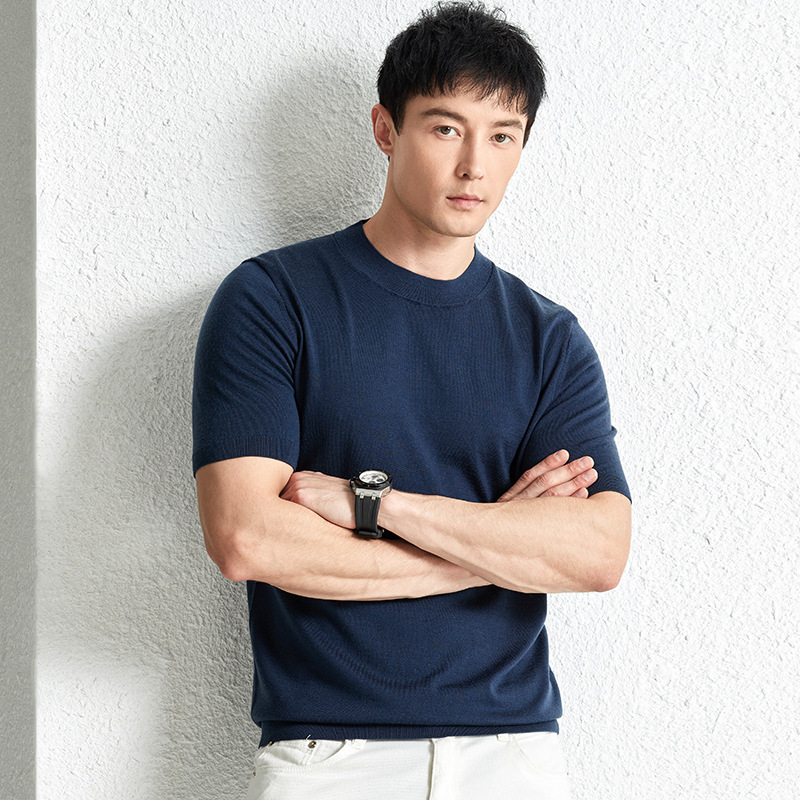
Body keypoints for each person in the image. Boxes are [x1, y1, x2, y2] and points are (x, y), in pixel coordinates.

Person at [192, 2, 631, 797]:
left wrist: (377, 505)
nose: (474, 166)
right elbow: (246, 538)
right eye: (445, 128)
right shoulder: (272, 300)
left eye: (503, 136)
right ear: (386, 129)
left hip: (513, 758)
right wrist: (491, 545)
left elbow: (598, 554)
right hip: (331, 757)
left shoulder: (549, 338)